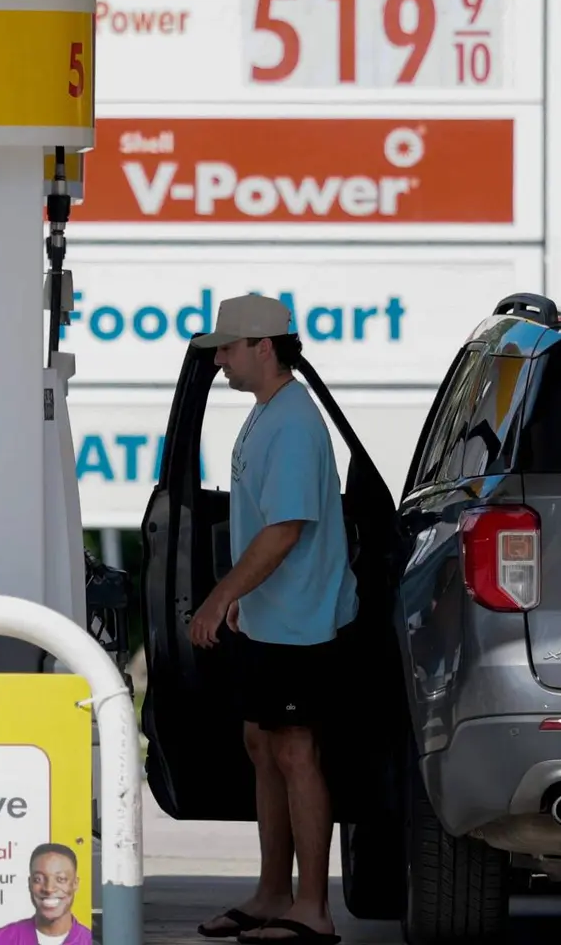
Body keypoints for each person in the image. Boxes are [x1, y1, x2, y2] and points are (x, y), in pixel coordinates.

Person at [187, 295, 356, 945]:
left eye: (228, 348)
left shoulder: (291, 423)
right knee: (263, 745)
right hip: (270, 618)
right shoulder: (268, 412)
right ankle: (272, 893)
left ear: (264, 347)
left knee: (294, 750)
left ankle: (312, 909)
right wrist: (243, 598)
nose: (220, 361)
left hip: (301, 623)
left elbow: (285, 529)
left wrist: (218, 596)